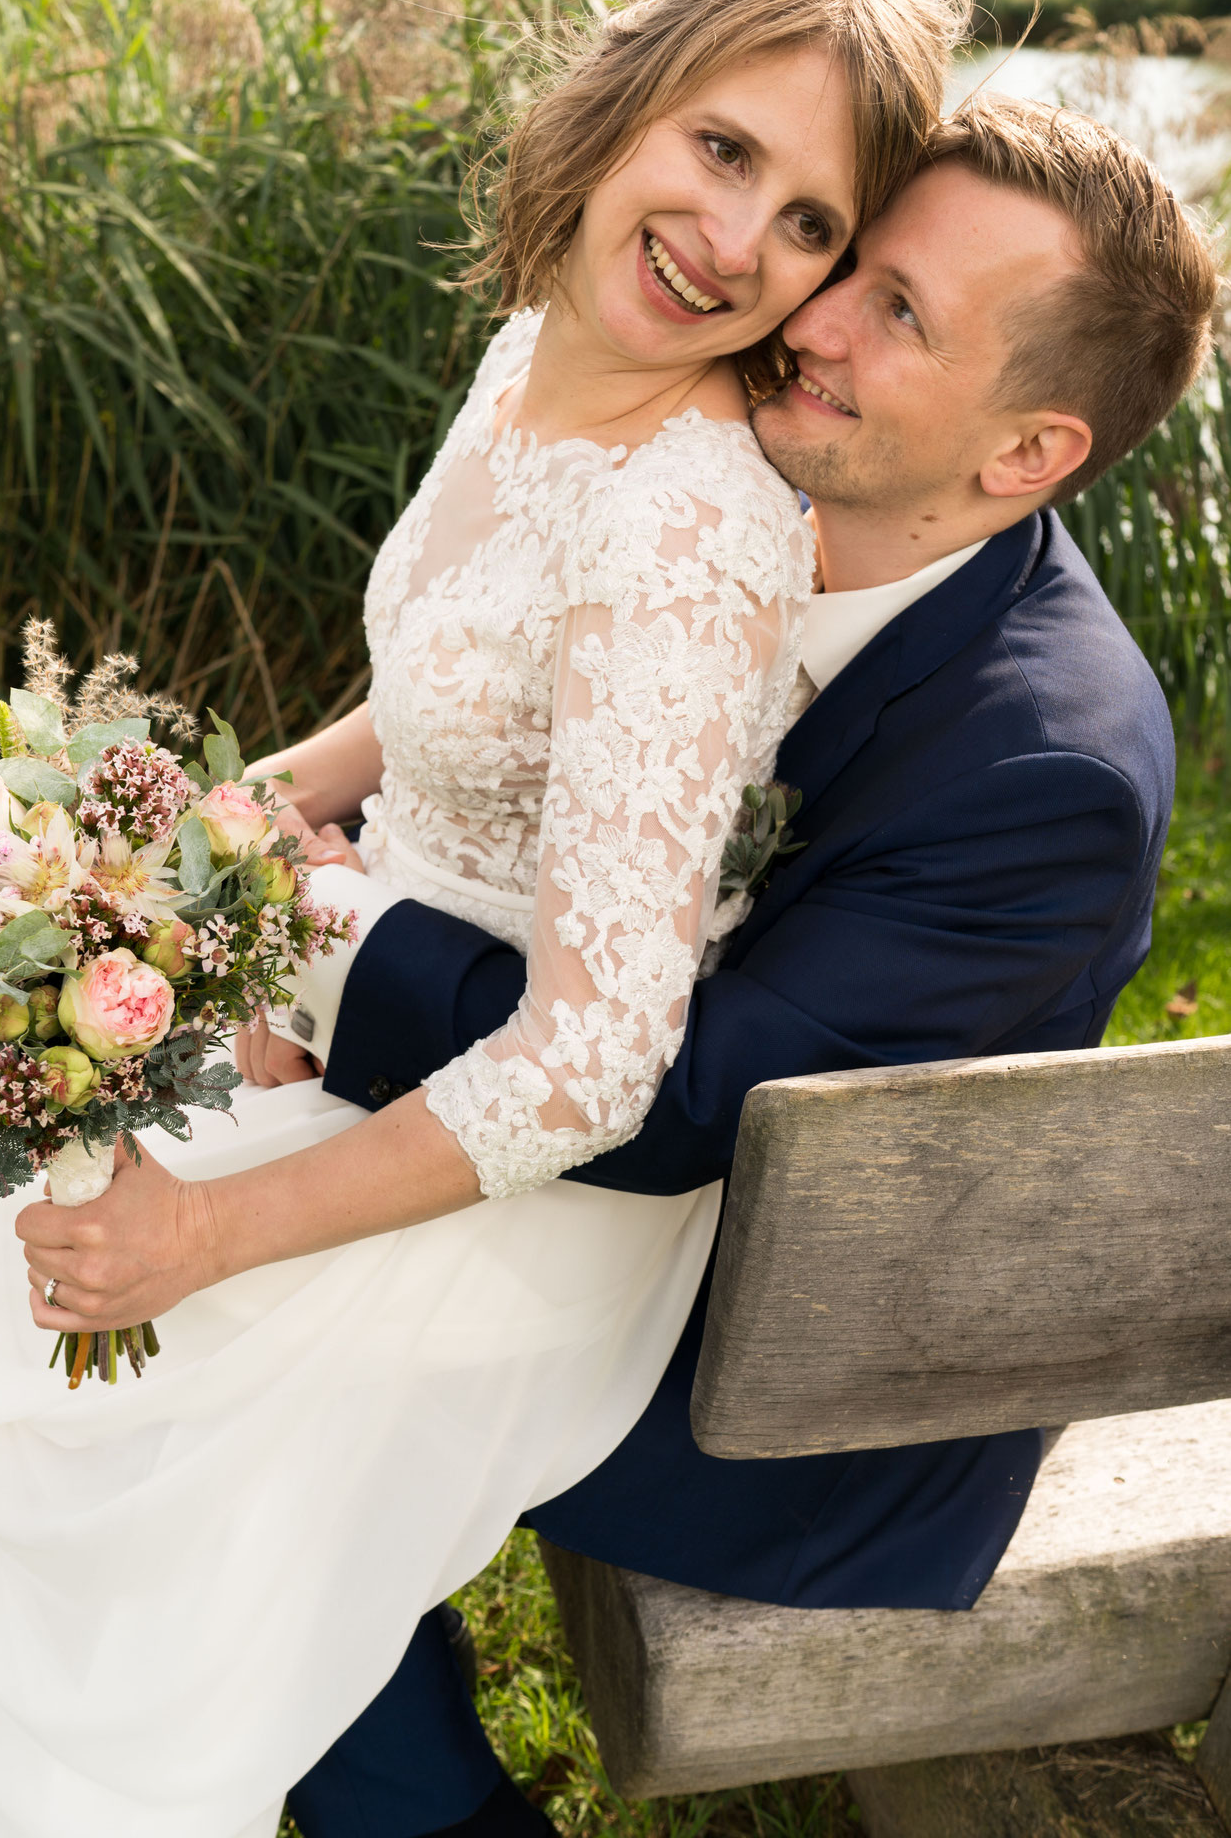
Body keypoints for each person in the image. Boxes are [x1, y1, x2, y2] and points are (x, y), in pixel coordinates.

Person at [0, 0, 966, 1838]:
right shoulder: (532, 354)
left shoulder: (681, 533)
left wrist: (200, 1236)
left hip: (514, 1181)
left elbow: (591, 1063)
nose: (737, 244)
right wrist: (113, 847)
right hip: (366, 1023)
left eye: (809, 224)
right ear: (626, 101)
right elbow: (431, 700)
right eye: (724, 151)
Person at [242, 93, 1220, 1837]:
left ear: (1022, 457)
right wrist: (293, 805)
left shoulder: (1037, 771)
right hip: (618, 1191)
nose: (810, 314)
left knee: (229, 1363)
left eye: (897, 315)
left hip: (783, 1380)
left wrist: (316, 939)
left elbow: (674, 1103)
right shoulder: (722, 481)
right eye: (851, 261)